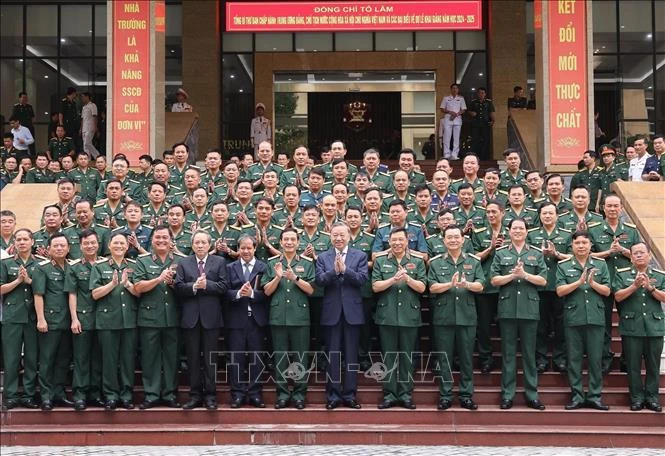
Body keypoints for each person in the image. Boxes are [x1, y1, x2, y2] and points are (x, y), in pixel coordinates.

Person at [490, 218, 548, 410]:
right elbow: (494, 280)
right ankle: (507, 394)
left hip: (529, 309)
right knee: (508, 354)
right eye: (514, 228)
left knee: (529, 355)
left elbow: (543, 280)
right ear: (508, 231)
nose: (517, 231)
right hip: (507, 309)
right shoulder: (500, 253)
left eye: (521, 228)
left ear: (527, 231)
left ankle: (532, 394)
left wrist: (525, 275)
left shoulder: (535, 253)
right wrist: (513, 276)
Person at [428, 225, 485, 410]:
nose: (453, 240)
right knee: (444, 358)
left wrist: (466, 283)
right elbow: (432, 287)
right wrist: (449, 284)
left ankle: (466, 395)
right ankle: (445, 395)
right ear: (443, 241)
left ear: (463, 240)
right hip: (444, 317)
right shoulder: (436, 262)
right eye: (449, 238)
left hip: (467, 316)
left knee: (466, 358)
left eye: (456, 237)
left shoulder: (473, 261)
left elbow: (481, 286)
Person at [315, 222, 369, 409]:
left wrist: (346, 270)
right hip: (332, 313)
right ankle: (333, 395)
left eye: (342, 235)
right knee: (333, 356)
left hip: (352, 312)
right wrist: (334, 271)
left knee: (351, 357)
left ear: (349, 236)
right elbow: (320, 281)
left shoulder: (360, 256)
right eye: (335, 235)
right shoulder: (323, 257)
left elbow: (362, 280)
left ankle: (350, 395)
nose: (338, 238)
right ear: (330, 236)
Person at [556, 231, 611, 411]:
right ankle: (577, 395)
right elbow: (560, 291)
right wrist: (578, 282)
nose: (581, 246)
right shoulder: (564, 265)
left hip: (595, 317)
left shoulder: (600, 265)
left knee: (595, 359)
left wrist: (593, 283)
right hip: (574, 318)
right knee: (574, 359)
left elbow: (607, 291)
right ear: (571, 245)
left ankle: (595, 396)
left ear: (590, 245)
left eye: (584, 243)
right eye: (577, 243)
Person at [372, 228, 427, 409]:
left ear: (407, 241)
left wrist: (408, 279)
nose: (396, 243)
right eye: (393, 240)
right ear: (389, 241)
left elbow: (422, 287)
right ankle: (389, 394)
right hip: (387, 315)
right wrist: (393, 280)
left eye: (400, 240)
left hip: (409, 316)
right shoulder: (380, 261)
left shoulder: (417, 261)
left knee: (407, 357)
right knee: (388, 356)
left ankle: (405, 394)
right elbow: (375, 287)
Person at [134, 225, 187, 409]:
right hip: (150, 317)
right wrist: (158, 279)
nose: (161, 241)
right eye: (158, 237)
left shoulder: (182, 261)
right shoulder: (142, 261)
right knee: (150, 357)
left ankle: (170, 393)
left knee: (172, 358)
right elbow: (137, 288)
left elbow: (188, 290)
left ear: (171, 240)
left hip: (174, 316)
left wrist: (173, 284)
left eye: (165, 237)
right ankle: (151, 394)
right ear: (152, 240)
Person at [262, 228, 315, 409]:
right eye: (286, 239)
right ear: (281, 242)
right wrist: (277, 278)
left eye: (293, 239)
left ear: (298, 243)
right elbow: (267, 291)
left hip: (300, 317)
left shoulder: (307, 263)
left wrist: (296, 278)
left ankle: (300, 394)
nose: (289, 242)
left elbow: (311, 290)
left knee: (300, 358)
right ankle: (283, 394)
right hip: (278, 317)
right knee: (281, 358)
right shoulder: (272, 263)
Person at [175, 229, 228, 410]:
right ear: (192, 245)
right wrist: (194, 287)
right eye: (196, 242)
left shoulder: (219, 261)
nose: (200, 245)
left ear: (209, 245)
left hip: (211, 318)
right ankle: (195, 395)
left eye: (203, 242)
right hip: (190, 319)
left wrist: (208, 285)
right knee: (193, 359)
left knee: (210, 359)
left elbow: (224, 286)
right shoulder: (184, 263)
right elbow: (179, 287)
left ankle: (211, 396)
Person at [90, 232, 140, 410]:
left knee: (127, 360)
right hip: (107, 320)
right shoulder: (99, 266)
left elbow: (139, 292)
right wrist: (111, 284)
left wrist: (127, 285)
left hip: (129, 320)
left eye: (122, 243)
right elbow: (94, 294)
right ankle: (110, 395)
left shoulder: (134, 265)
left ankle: (126, 395)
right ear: (109, 246)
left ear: (127, 247)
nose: (119, 246)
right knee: (109, 360)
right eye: (115, 243)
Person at [613, 242, 665, 412]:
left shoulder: (659, 275)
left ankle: (652, 398)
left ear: (649, 256)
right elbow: (618, 297)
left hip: (654, 326)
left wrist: (651, 288)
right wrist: (634, 286)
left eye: (642, 253)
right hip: (632, 326)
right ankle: (636, 398)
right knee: (633, 366)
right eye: (635, 253)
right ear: (631, 257)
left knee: (653, 365)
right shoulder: (622, 275)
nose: (639, 256)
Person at [224, 234, 269, 408]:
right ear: (238, 249)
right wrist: (238, 293)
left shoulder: (263, 267)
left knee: (256, 359)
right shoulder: (230, 267)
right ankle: (237, 394)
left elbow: (268, 293)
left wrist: (252, 294)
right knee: (237, 359)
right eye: (242, 248)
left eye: (249, 248)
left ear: (255, 248)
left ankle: (255, 393)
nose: (246, 251)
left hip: (256, 320)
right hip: (236, 320)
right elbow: (224, 291)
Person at [527, 203, 571, 373]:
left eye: (550, 213)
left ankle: (560, 358)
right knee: (540, 325)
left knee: (561, 324)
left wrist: (556, 255)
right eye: (544, 213)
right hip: (539, 286)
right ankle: (541, 359)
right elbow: (527, 255)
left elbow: (574, 256)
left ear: (557, 215)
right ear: (539, 216)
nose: (547, 216)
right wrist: (540, 254)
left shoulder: (566, 235)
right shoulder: (532, 234)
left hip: (560, 285)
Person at [32, 233, 73, 410]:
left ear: (68, 248)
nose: (59, 248)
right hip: (50, 320)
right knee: (48, 359)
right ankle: (46, 395)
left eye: (62, 245)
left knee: (63, 359)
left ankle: (59, 393)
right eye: (55, 246)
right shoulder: (42, 268)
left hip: (68, 321)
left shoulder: (72, 267)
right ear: (48, 249)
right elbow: (38, 295)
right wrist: (41, 319)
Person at [1, 228, 40, 409]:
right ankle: (9, 395)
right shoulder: (6, 263)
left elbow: (44, 289)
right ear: (14, 243)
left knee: (32, 358)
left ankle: (29, 395)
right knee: (11, 358)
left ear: (33, 241)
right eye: (19, 239)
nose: (22, 242)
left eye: (26, 239)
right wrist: (17, 281)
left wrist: (30, 281)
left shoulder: (40, 264)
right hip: (13, 316)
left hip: (33, 316)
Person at [64, 229, 103, 410]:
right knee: (81, 358)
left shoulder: (105, 264)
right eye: (86, 243)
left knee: (98, 358)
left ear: (98, 243)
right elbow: (72, 294)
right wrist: (74, 318)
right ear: (80, 245)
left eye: (93, 242)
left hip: (104, 318)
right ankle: (80, 394)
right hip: (83, 317)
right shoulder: (74, 267)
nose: (90, 246)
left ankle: (95, 393)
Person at [439, 83, 467, 160]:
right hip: (448, 119)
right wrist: (450, 112)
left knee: (456, 138)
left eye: (456, 88)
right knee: (446, 137)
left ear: (458, 90)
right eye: (453, 88)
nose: (455, 90)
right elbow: (442, 108)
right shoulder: (446, 98)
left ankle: (455, 154)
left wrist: (457, 114)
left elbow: (464, 109)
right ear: (451, 89)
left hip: (457, 119)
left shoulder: (461, 98)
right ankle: (446, 154)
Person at [467, 87, 495, 159]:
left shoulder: (489, 102)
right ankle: (475, 156)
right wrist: (471, 113)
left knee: (485, 140)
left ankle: (484, 157)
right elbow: (468, 111)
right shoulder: (473, 102)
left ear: (485, 94)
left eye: (482, 93)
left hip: (485, 123)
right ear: (477, 94)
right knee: (475, 140)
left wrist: (493, 120)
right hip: (476, 124)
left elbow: (491, 112)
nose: (481, 94)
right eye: (479, 93)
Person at [80, 92, 99, 159]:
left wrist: (95, 127)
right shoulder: (84, 107)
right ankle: (88, 159)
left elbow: (95, 116)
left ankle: (97, 156)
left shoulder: (92, 105)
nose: (82, 99)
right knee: (85, 146)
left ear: (87, 97)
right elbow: (82, 119)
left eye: (83, 97)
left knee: (87, 143)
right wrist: (81, 128)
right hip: (84, 128)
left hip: (90, 127)